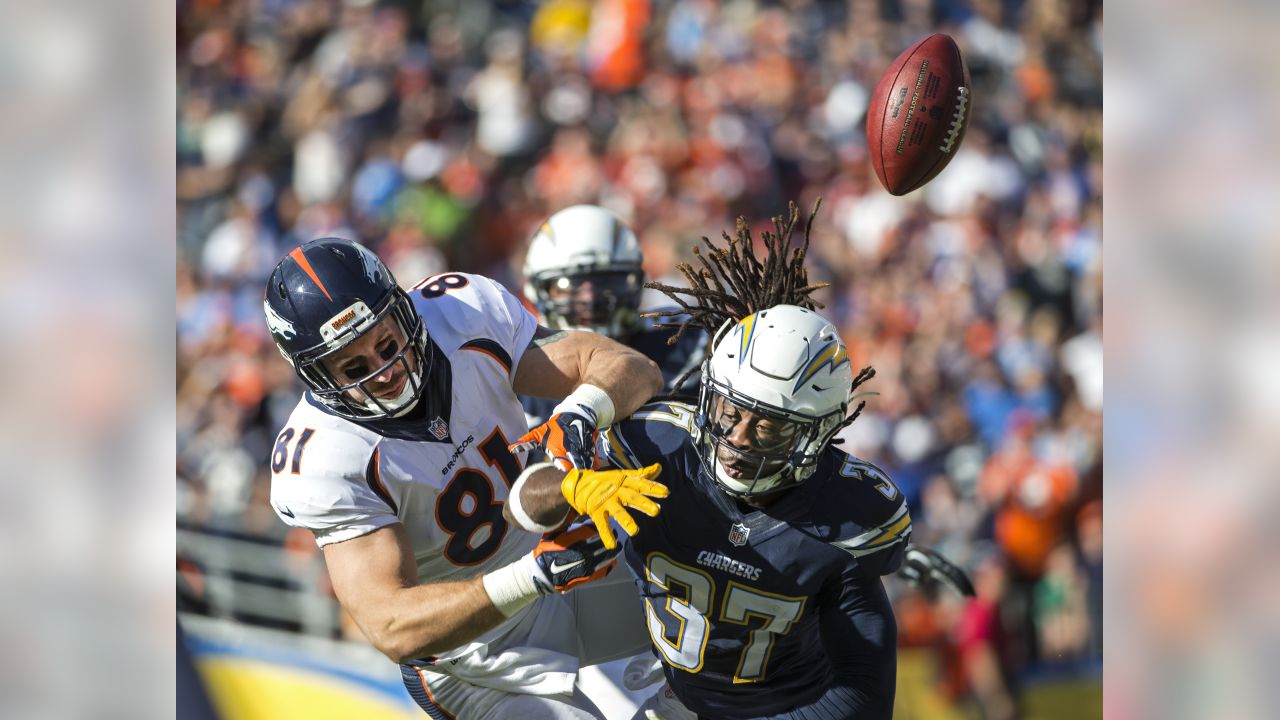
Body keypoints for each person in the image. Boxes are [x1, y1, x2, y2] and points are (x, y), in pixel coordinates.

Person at [509, 203, 971, 719]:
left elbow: (863, 688)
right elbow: (516, 505)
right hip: (626, 604)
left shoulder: (677, 353)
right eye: (730, 413)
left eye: (770, 425)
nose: (739, 439)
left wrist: (882, 550)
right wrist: (566, 487)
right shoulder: (643, 435)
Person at [262, 237, 672, 719]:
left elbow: (630, 368)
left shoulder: (458, 313)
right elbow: (390, 624)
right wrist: (533, 576)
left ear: (402, 310)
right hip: (476, 654)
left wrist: (580, 413)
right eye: (354, 366)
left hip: (563, 561)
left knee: (714, 621)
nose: (385, 370)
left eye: (386, 343)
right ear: (315, 376)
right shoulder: (325, 456)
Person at [520, 204, 706, 426]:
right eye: (569, 285)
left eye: (607, 281)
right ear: (537, 291)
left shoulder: (680, 339)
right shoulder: (518, 369)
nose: (590, 299)